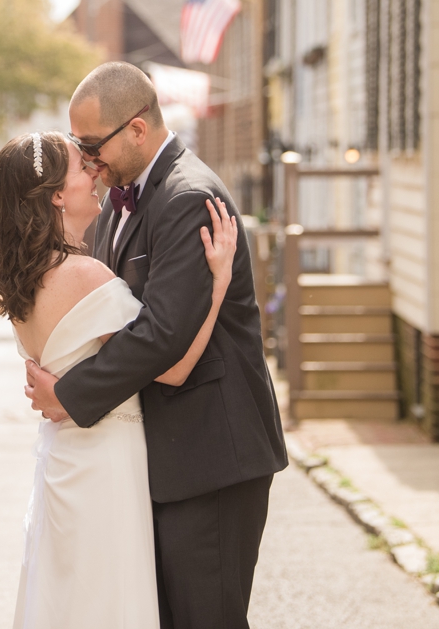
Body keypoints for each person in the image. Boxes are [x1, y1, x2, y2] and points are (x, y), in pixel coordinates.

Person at [24, 61, 288, 629]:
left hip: (210, 456)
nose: (88, 160)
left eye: (93, 145)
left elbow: (162, 335)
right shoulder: (129, 202)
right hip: (167, 459)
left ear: (138, 129)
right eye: (78, 146)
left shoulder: (187, 198)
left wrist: (72, 393)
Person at [0, 129, 237, 629]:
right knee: (109, 602)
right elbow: (174, 365)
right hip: (104, 463)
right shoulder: (84, 276)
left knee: (70, 600)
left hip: (60, 456)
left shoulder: (23, 280)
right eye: (82, 167)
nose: (95, 172)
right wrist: (218, 285)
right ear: (58, 194)